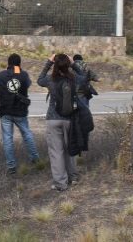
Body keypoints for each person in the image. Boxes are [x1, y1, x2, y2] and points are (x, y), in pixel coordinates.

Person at [37, 53, 86, 191]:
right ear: (67, 65)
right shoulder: (74, 79)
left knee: (56, 152)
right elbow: (84, 78)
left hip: (53, 119)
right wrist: (73, 64)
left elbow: (39, 79)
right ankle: (73, 177)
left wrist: (48, 63)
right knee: (70, 148)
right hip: (70, 119)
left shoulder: (49, 80)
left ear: (55, 65)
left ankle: (60, 183)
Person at [0, 53, 40, 175]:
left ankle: (11, 166)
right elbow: (28, 84)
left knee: (7, 139)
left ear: (8, 63)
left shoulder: (0, 75)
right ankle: (35, 159)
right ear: (19, 63)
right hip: (20, 111)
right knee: (27, 135)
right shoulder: (24, 75)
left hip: (5, 111)